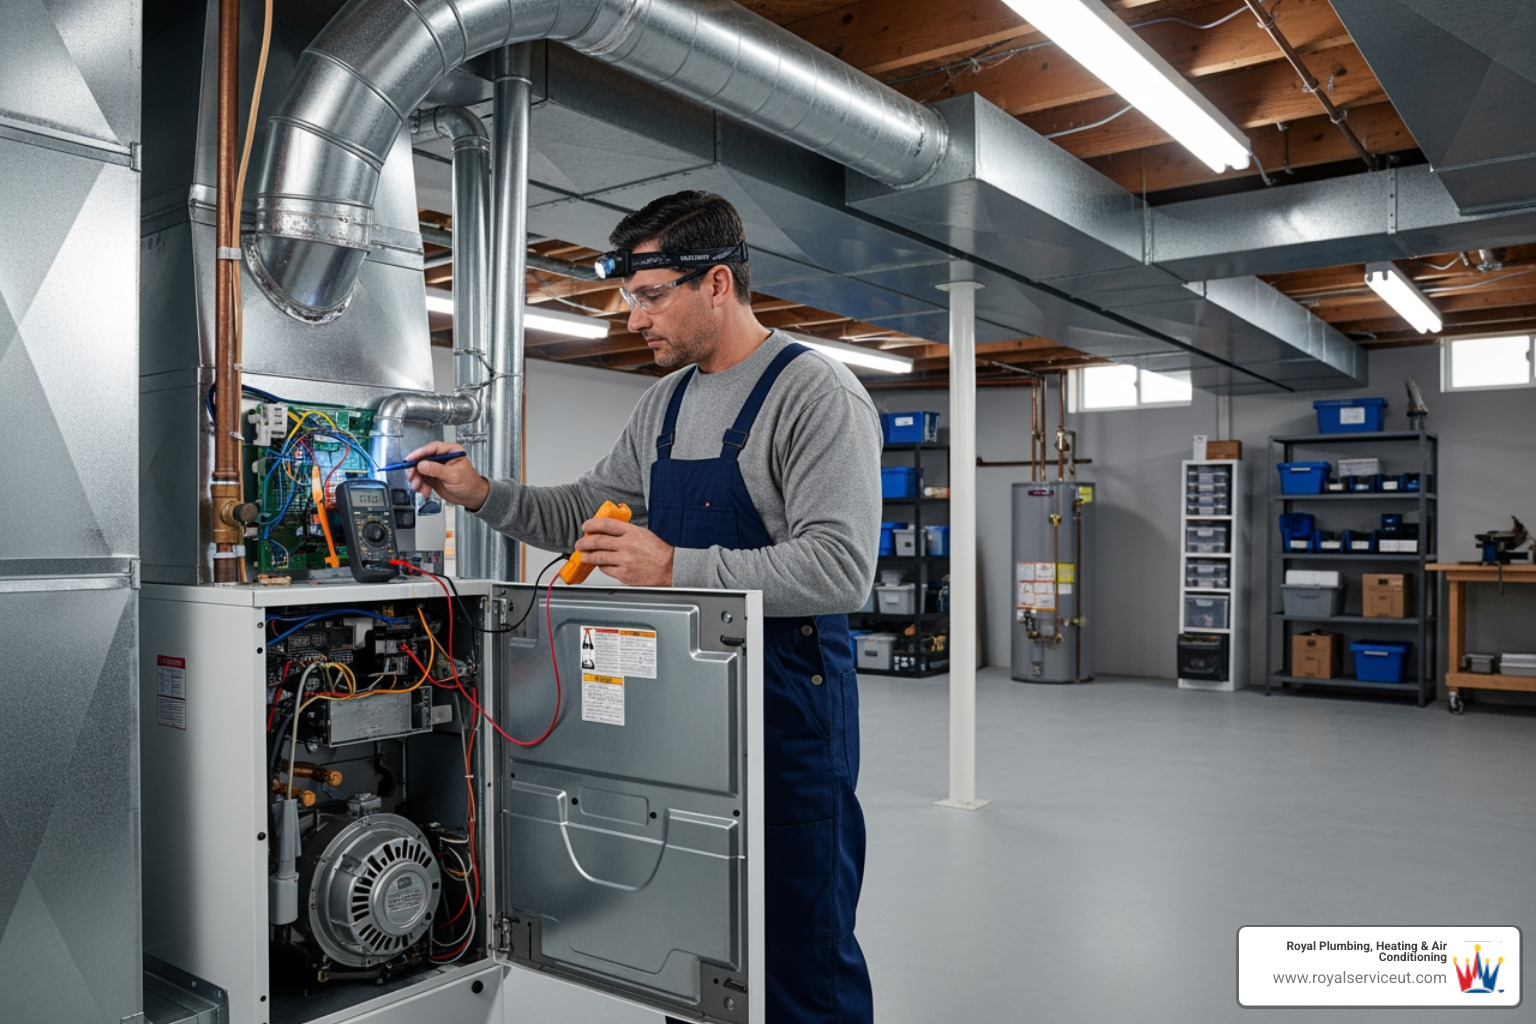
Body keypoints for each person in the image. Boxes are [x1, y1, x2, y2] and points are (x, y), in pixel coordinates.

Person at [405, 190, 882, 1022]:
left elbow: (841, 570)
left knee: (798, 951)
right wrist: (480, 492)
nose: (634, 319)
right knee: (696, 943)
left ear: (720, 284)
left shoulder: (815, 396)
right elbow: (584, 513)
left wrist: (677, 567)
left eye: (652, 295)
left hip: (788, 718)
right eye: (630, 298)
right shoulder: (662, 405)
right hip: (687, 722)